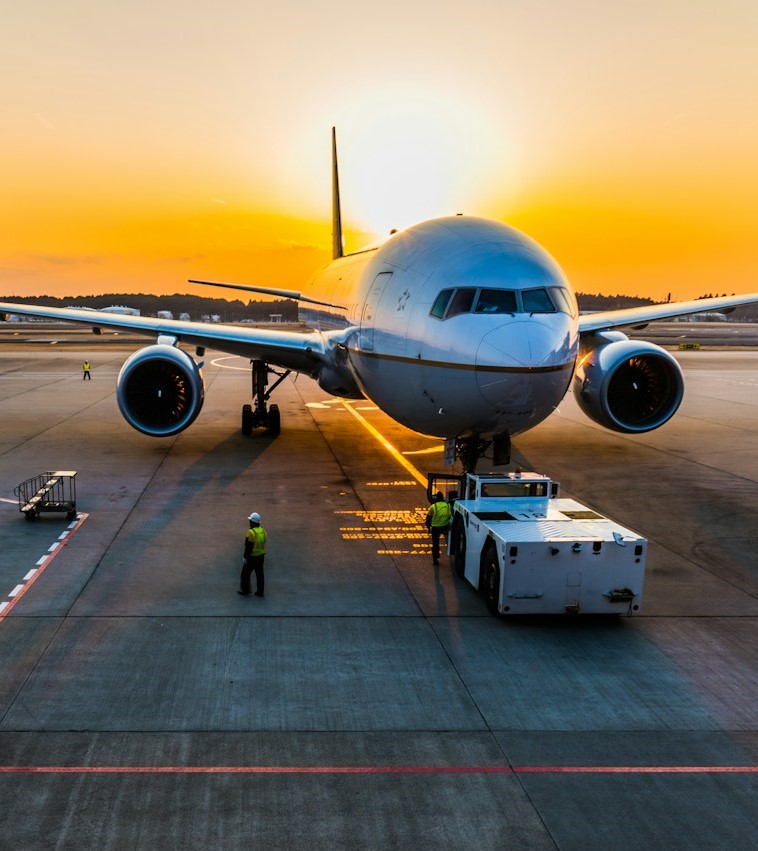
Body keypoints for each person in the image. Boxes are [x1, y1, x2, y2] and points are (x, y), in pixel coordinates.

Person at [239, 511, 267, 597]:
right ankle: (260, 592)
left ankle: (245, 590)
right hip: (261, 556)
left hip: (252, 557)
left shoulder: (250, 532)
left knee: (245, 574)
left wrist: (245, 557)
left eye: (250, 521)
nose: (249, 522)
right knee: (260, 574)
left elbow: (248, 546)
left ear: (253, 522)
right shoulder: (263, 531)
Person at [426, 492, 451, 566]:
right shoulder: (448, 505)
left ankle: (435, 558)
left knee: (435, 543)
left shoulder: (433, 506)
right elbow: (450, 515)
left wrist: (428, 527)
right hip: (445, 526)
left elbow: (428, 518)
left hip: (435, 528)